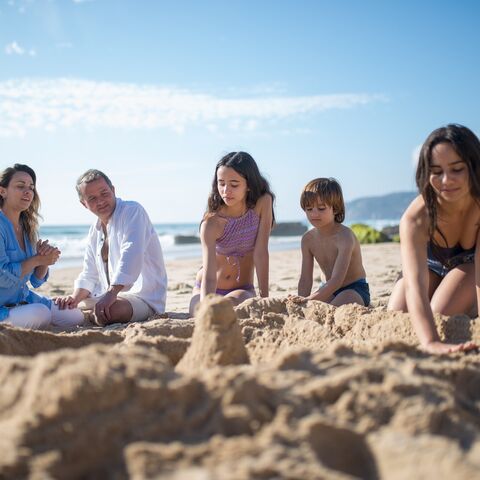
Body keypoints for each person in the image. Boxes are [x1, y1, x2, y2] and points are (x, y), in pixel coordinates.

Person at [388, 124, 479, 354]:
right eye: (436, 171)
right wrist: (430, 342)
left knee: (439, 313)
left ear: (474, 166)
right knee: (397, 317)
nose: (446, 180)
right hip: (428, 266)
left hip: (469, 266)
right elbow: (415, 287)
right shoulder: (415, 218)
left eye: (457, 169)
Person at [55, 169, 167, 326]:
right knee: (59, 305)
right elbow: (90, 272)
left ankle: (90, 313)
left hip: (144, 297)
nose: (100, 201)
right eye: (92, 198)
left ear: (113, 190)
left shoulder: (132, 211)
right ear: (83, 204)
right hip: (108, 295)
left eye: (104, 193)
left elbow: (131, 253)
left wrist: (111, 293)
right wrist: (74, 298)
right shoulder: (95, 228)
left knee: (107, 313)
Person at [0, 164, 85, 330]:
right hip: (2, 307)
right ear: (2, 191)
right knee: (40, 313)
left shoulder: (27, 226)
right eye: (20, 186)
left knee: (75, 315)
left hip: (23, 300)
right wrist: (36, 259)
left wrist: (45, 261)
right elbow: (2, 276)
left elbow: (36, 281)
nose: (28, 192)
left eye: (31, 188)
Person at [189, 152, 274, 315]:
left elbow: (261, 252)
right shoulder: (211, 223)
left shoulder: (263, 202)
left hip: (242, 289)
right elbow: (209, 276)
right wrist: (206, 306)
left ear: (248, 184)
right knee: (205, 313)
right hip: (206, 287)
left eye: (234, 184)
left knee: (227, 306)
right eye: (221, 183)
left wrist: (265, 299)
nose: (226, 190)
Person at [291, 177, 370, 307]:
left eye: (321, 208)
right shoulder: (307, 240)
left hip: (354, 288)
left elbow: (337, 280)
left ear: (336, 209)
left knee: (336, 306)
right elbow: (305, 279)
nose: (314, 214)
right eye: (309, 209)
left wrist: (309, 300)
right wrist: (301, 301)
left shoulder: (345, 237)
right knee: (311, 308)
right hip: (326, 288)